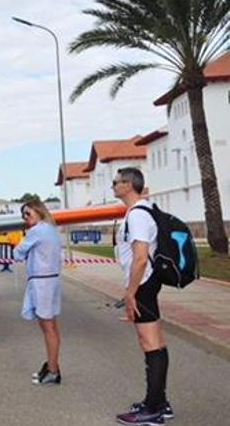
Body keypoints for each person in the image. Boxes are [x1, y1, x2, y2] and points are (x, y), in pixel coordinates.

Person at [113, 168, 174, 425]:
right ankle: (159, 402)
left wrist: (130, 293)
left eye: (117, 182)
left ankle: (153, 408)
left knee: (150, 344)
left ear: (129, 185)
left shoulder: (137, 215)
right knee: (156, 342)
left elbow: (140, 257)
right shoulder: (143, 211)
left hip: (143, 285)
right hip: (147, 283)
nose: (113, 186)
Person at [14, 200, 63, 386]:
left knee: (48, 327)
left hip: (42, 281)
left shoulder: (36, 232)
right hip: (52, 279)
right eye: (24, 215)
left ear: (38, 211)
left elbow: (18, 253)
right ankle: (53, 365)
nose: (25, 218)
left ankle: (52, 370)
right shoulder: (51, 229)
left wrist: (23, 243)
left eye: (28, 214)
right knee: (52, 326)